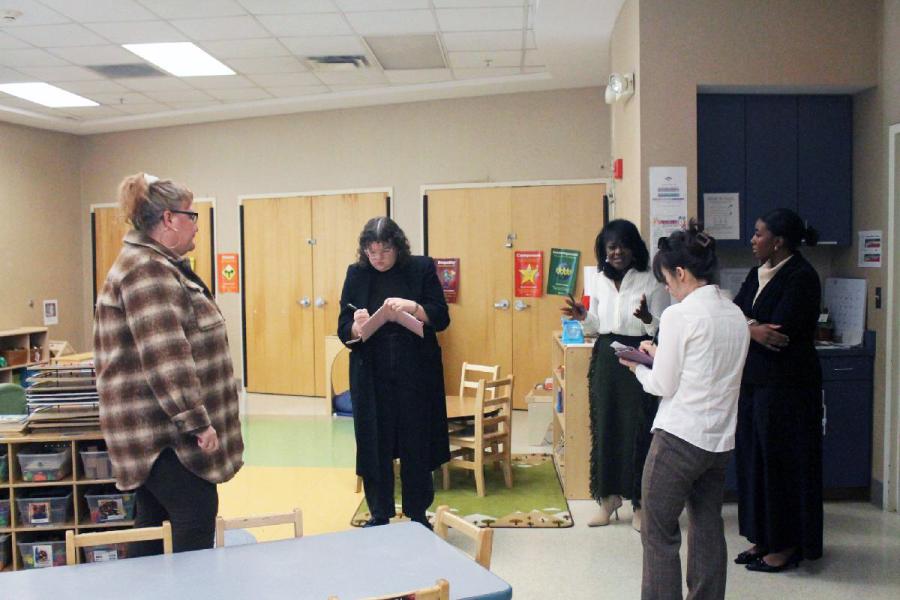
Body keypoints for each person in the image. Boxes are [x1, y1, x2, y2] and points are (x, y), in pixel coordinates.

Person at [94, 173, 243, 555]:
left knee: (152, 530)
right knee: (194, 520)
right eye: (191, 215)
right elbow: (166, 355)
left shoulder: (159, 264)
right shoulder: (148, 270)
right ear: (168, 219)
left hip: (160, 436)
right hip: (166, 438)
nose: (196, 224)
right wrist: (196, 420)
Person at [619, 223, 750, 600]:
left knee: (658, 533)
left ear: (681, 273)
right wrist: (659, 356)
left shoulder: (680, 315)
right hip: (718, 441)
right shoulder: (735, 315)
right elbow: (706, 368)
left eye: (666, 280)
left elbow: (663, 386)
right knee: (707, 525)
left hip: (678, 440)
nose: (666, 288)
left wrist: (638, 365)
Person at [338, 217, 450, 529]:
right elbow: (343, 327)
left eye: (385, 251)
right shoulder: (357, 274)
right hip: (371, 375)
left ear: (397, 247)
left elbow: (441, 317)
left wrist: (412, 307)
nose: (378, 258)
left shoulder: (421, 268)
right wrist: (357, 325)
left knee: (417, 441)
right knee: (375, 444)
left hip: (415, 374)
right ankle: (379, 513)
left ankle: (417, 514)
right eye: (371, 252)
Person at [562, 219, 669, 529]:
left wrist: (649, 317)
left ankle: (639, 503)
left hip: (640, 353)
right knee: (605, 425)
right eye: (611, 247)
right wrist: (585, 317)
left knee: (638, 429)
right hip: (608, 356)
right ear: (604, 251)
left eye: (623, 245)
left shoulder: (651, 281)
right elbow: (596, 326)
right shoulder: (598, 281)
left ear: (634, 248)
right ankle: (607, 500)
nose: (617, 251)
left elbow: (662, 327)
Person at [732, 208, 823, 572]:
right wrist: (752, 327)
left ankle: (786, 543)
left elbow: (779, 332)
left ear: (778, 241)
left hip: (789, 388)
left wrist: (750, 328)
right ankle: (763, 537)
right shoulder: (757, 274)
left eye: (758, 234)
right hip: (755, 383)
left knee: (782, 463)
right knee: (755, 461)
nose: (753, 240)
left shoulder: (801, 277)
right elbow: (736, 311)